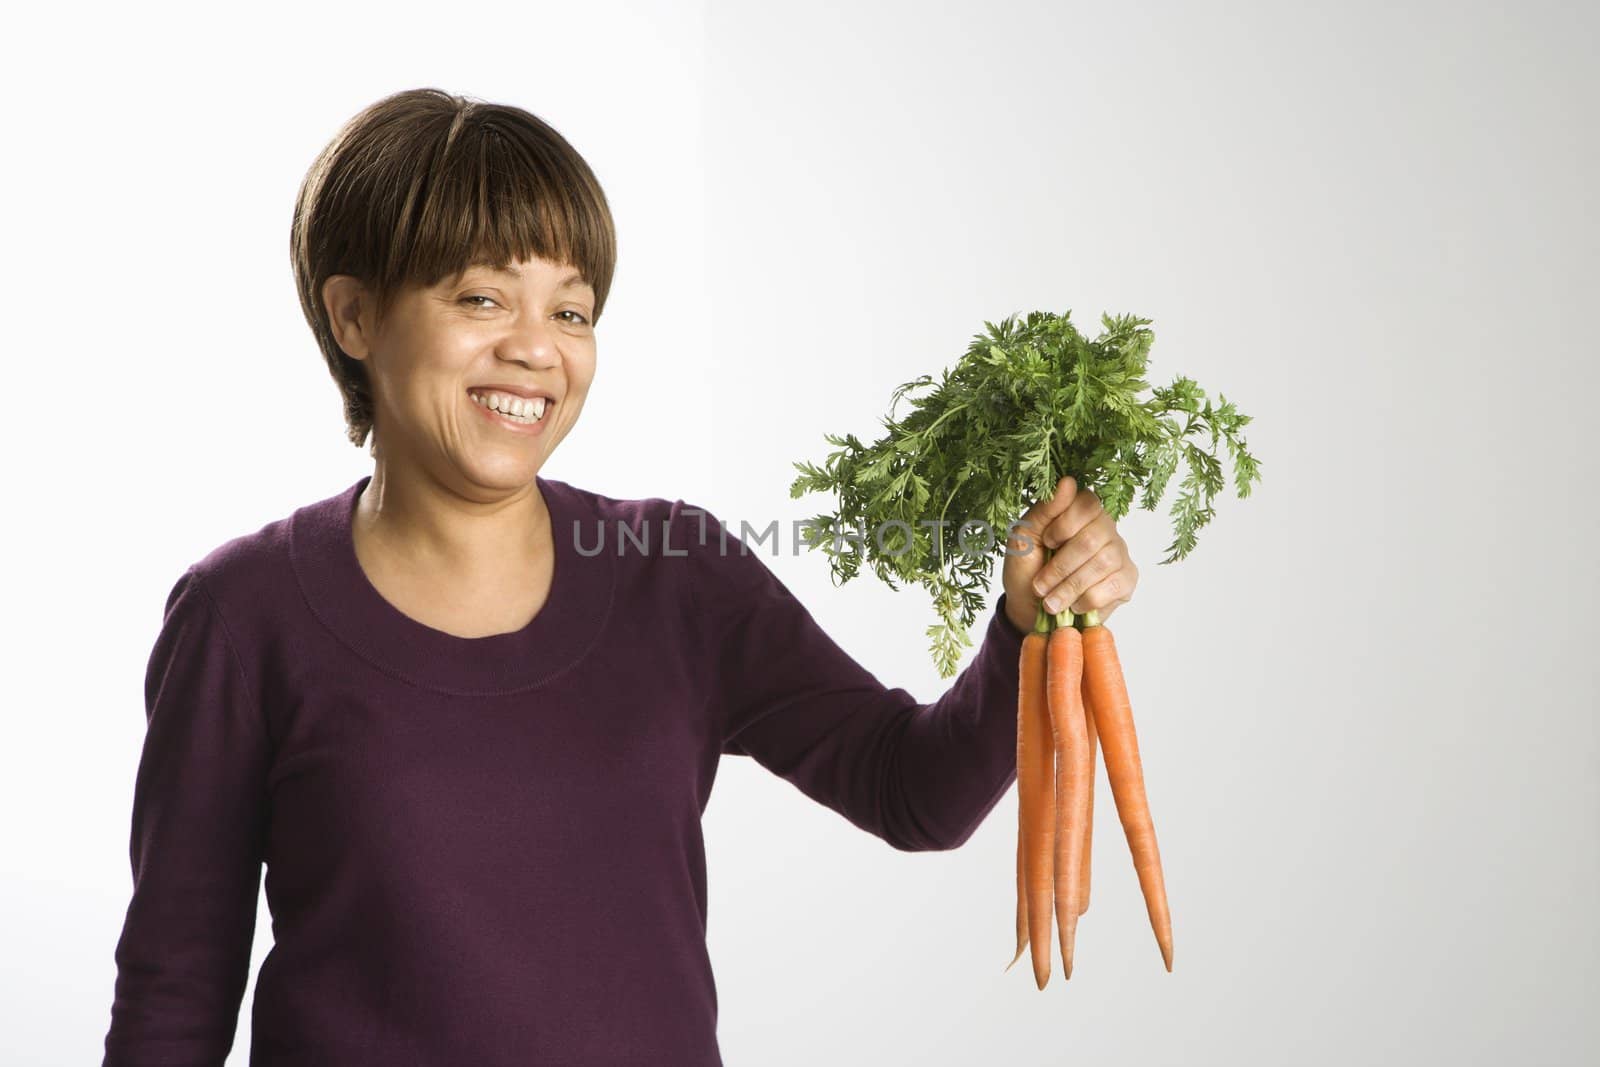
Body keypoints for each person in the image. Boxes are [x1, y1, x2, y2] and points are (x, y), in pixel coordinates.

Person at [100, 86, 1138, 1067]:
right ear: (356, 316)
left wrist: (1025, 625)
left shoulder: (675, 576)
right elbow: (172, 997)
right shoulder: (245, 615)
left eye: (570, 310)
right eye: (480, 296)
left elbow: (915, 791)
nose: (534, 350)